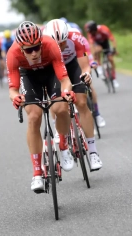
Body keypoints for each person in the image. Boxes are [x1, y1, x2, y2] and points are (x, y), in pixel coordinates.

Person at [7, 21, 76, 192]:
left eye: (37, 47)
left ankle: (63, 145)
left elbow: (64, 79)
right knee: (34, 116)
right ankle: (37, 172)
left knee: (61, 107)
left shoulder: (50, 45)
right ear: (21, 48)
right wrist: (16, 98)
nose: (35, 52)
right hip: (29, 76)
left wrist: (67, 92)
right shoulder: (13, 54)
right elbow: (13, 89)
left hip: (50, 72)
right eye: (29, 50)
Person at [43, 19, 103, 171]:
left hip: (72, 65)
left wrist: (87, 75)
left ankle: (93, 152)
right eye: (55, 44)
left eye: (62, 43)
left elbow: (84, 66)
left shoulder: (75, 37)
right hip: (54, 70)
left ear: (67, 37)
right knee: (59, 106)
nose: (60, 47)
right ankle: (61, 129)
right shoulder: (43, 44)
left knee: (82, 103)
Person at [65, 26, 106, 130]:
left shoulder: (81, 40)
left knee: (89, 85)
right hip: (65, 65)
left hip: (80, 62)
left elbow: (88, 56)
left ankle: (96, 114)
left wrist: (92, 64)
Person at [84, 20, 119, 88]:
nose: (90, 33)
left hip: (105, 43)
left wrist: (114, 49)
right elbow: (91, 44)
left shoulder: (104, 29)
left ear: (94, 29)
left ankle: (114, 79)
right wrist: (93, 56)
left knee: (110, 59)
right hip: (97, 44)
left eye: (91, 32)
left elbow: (112, 39)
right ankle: (99, 66)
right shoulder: (90, 33)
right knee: (98, 50)